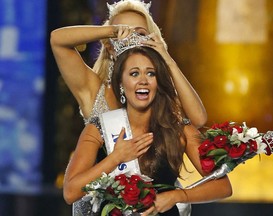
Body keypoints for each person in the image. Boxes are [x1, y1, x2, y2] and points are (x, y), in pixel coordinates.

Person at [63, 35, 232, 215]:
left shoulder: (179, 129)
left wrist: (177, 196)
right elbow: (71, 192)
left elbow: (223, 186)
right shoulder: (99, 129)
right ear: (121, 82)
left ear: (158, 82)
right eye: (134, 73)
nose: (143, 80)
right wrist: (116, 157)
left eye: (150, 73)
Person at [50, 0, 207, 129]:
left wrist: (168, 61)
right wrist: (111, 30)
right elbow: (58, 40)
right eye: (123, 35)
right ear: (110, 47)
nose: (132, 41)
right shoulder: (95, 92)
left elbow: (199, 120)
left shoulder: (157, 94)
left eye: (139, 34)